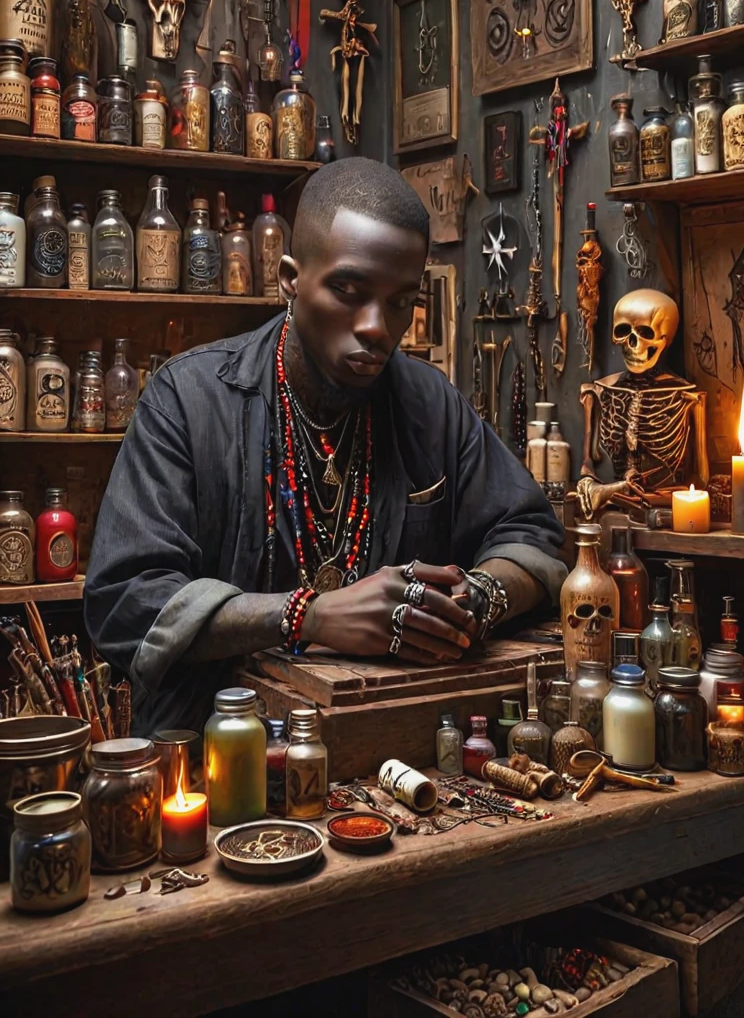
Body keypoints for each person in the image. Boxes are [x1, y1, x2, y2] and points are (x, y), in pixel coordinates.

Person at [85, 158, 565, 733]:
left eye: (400, 301)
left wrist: (480, 596)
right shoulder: (187, 399)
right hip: (213, 757)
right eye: (348, 290)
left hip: (388, 753)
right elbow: (125, 603)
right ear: (289, 277)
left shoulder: (428, 401)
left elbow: (532, 537)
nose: (377, 327)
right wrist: (306, 615)